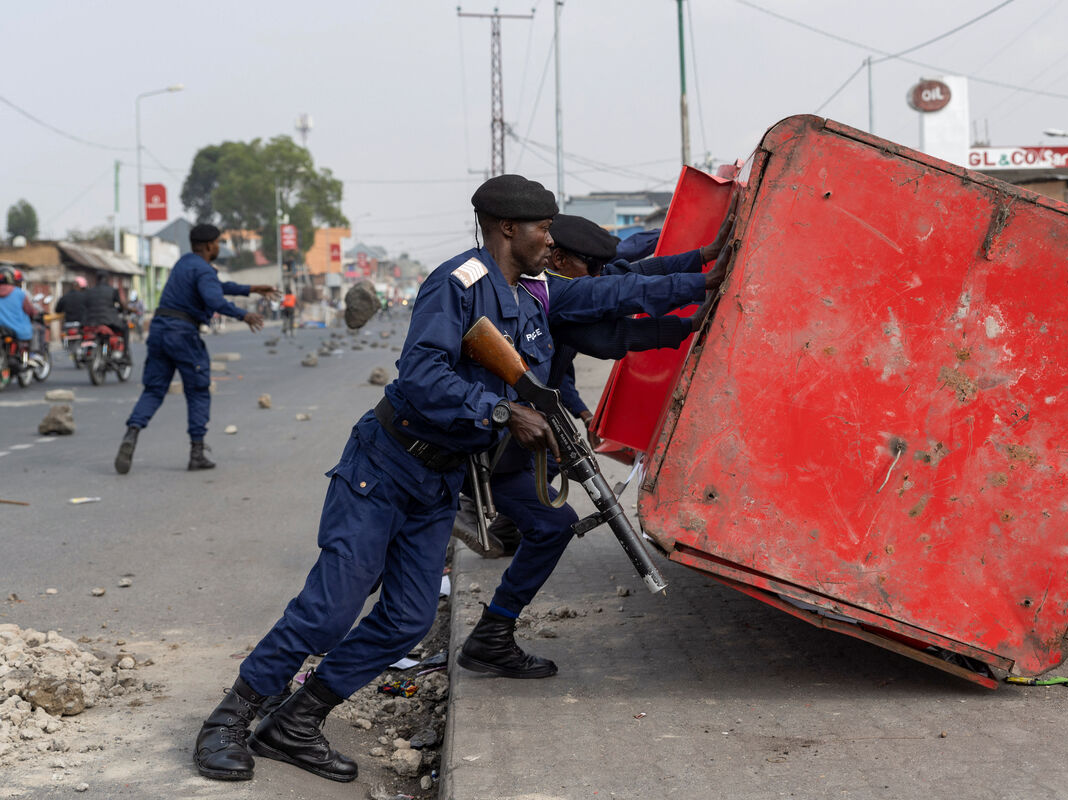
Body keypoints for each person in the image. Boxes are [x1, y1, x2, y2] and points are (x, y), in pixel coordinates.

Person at [190, 174, 724, 785]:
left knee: (408, 620)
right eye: (543, 230)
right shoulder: (458, 283)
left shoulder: (533, 295)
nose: (552, 242)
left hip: (440, 482)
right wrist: (501, 412)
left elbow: (615, 298)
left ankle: (296, 721)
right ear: (507, 229)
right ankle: (227, 720)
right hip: (386, 467)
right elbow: (421, 375)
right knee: (329, 609)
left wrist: (700, 283)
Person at [456, 208, 735, 556]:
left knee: (542, 474)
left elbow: (630, 279)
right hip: (503, 412)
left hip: (530, 403)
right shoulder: (550, 293)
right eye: (592, 268)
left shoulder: (559, 285)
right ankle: (467, 504)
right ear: (557, 259)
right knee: (526, 467)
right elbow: (617, 298)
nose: (599, 275)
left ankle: (503, 528)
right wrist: (698, 289)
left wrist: (700, 262)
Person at [115, 224, 271, 474]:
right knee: (198, 390)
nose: (218, 247)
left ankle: (132, 432)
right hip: (183, 334)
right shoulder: (204, 270)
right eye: (218, 243)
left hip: (159, 330)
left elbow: (217, 285)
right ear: (210, 245)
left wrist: (251, 289)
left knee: (154, 389)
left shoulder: (184, 264)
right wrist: (244, 315)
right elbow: (214, 298)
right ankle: (196, 453)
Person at [82, 273, 130, 357]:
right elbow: (121, 305)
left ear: (97, 279)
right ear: (107, 279)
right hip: (108, 321)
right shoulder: (112, 290)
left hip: (91, 322)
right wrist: (124, 310)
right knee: (125, 328)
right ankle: (125, 351)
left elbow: (85, 306)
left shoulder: (89, 291)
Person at [0, 266, 36, 345]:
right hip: (20, 331)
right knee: (36, 330)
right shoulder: (19, 293)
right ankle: (35, 355)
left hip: (2, 331)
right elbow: (30, 310)